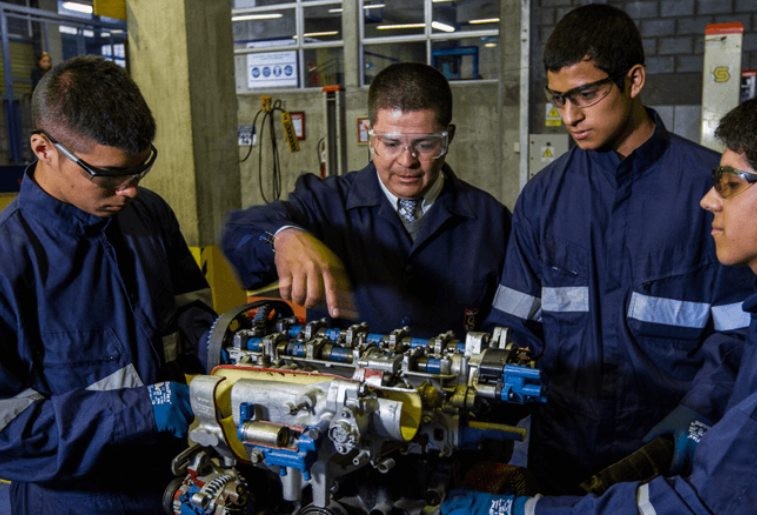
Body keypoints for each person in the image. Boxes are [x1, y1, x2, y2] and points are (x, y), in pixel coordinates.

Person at [442, 83, 757, 514]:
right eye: (559, 98)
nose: (708, 199)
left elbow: (694, 508)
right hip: (566, 439)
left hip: (655, 436)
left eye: (729, 184)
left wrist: (520, 512)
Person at [483, 4, 757, 495]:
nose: (570, 116)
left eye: (586, 94)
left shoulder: (710, 193)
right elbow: (514, 323)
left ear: (634, 80)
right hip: (562, 454)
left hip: (668, 458)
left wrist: (690, 422)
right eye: (559, 99)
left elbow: (743, 334)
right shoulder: (543, 199)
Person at [0, 55, 216, 513]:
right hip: (75, 499)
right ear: (43, 149)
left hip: (175, 479)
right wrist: (144, 409)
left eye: (139, 170)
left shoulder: (148, 214)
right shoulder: (8, 260)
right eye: (109, 175)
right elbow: (6, 431)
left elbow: (188, 306)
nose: (130, 189)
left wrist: (225, 348)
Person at [221, 62, 511, 337]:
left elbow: (511, 327)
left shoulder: (492, 222)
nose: (406, 161)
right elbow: (238, 233)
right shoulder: (325, 205)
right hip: (342, 386)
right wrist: (283, 236)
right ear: (371, 138)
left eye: (425, 144)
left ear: (448, 137)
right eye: (391, 143)